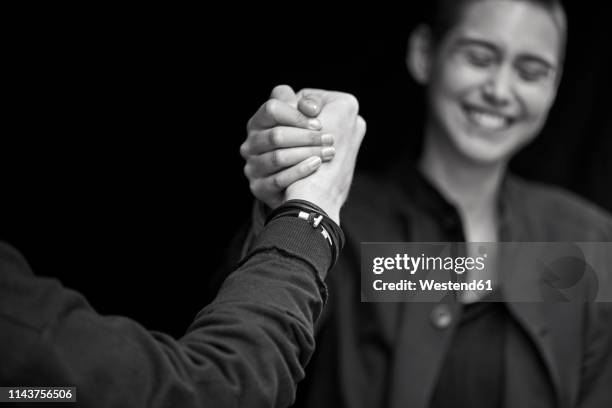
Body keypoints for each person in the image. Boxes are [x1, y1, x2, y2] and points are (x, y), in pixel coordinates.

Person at [237, 0, 612, 407]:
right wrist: (284, 209)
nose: (500, 91)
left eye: (531, 73)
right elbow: (248, 366)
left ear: (555, 87)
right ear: (423, 54)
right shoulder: (336, 219)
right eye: (479, 58)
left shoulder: (585, 237)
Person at [0, 92, 365, 407]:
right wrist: (303, 210)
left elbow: (39, 391)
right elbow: (220, 380)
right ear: (422, 55)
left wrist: (291, 198)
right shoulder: (364, 214)